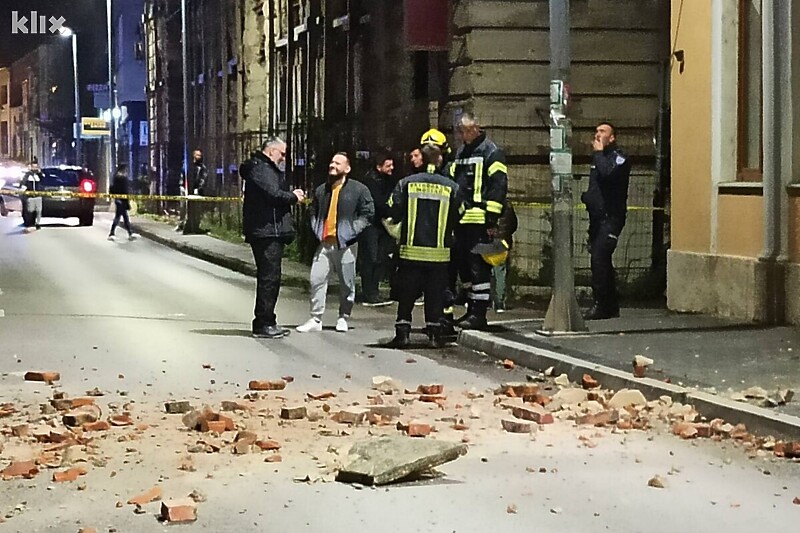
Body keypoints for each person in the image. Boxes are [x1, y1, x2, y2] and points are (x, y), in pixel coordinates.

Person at [383, 144, 463, 349]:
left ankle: (403, 334)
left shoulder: (406, 184)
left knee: (407, 294)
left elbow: (392, 208)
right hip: (439, 254)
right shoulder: (451, 187)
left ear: (421, 160)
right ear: (438, 161)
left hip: (411, 251)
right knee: (435, 295)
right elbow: (460, 212)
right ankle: (434, 336)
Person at [296, 152, 374, 334]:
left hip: (346, 244)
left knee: (347, 283)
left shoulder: (358, 190)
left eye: (338, 163)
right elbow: (313, 210)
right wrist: (317, 228)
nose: (333, 165)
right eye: (332, 162)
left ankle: (343, 316)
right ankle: (316, 318)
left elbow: (367, 213)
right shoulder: (322, 190)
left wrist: (351, 231)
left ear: (347, 169)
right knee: (316, 279)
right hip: (325, 242)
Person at [449, 112, 508, 330]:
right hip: (462, 220)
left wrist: (491, 219)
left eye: (465, 131)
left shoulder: (492, 152)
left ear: (476, 128)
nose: (462, 136)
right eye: (460, 131)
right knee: (465, 268)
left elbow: (498, 186)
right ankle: (471, 308)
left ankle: (478, 314)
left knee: (478, 269)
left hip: (480, 220)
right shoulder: (462, 152)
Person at [242, 137, 305, 339]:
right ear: (270, 151)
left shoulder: (264, 168)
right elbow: (273, 194)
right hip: (266, 230)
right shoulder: (261, 169)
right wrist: (293, 196)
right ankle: (264, 322)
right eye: (282, 153)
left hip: (269, 229)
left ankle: (267, 320)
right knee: (269, 278)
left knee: (271, 277)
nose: (283, 158)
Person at [581, 122, 631, 320]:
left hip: (612, 218)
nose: (598, 135)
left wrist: (599, 153)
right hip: (597, 218)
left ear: (612, 138)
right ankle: (611, 304)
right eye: (596, 131)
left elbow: (608, 174)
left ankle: (601, 304)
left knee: (599, 257)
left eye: (603, 132)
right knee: (601, 259)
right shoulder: (598, 158)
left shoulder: (619, 158)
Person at [357, 150, 396, 307]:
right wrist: (389, 209)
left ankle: (374, 290)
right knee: (371, 258)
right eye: (388, 165)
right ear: (379, 167)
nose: (391, 168)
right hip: (371, 225)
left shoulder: (388, 181)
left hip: (382, 224)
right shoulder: (371, 182)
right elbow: (377, 203)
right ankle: (369, 292)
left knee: (381, 258)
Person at [490, 202, 518, 313]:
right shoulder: (508, 206)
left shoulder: (489, 202)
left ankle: (489, 299)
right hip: (504, 241)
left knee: (489, 271)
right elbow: (514, 225)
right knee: (500, 271)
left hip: (489, 241)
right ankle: (499, 302)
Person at [108, 165, 139, 241]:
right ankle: (113, 233)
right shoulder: (123, 178)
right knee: (119, 217)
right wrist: (127, 201)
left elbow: (112, 188)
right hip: (122, 200)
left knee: (123, 217)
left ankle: (129, 233)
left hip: (118, 199)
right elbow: (125, 190)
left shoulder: (115, 177)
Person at [181, 149, 208, 234]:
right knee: (188, 209)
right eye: (197, 155)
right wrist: (183, 187)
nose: (199, 157)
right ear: (193, 156)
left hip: (197, 192)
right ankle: (187, 227)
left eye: (200, 155)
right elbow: (184, 176)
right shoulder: (188, 166)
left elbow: (203, 179)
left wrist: (199, 188)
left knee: (197, 211)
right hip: (188, 191)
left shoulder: (202, 168)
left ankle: (195, 227)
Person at [20, 158, 43, 232]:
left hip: (38, 196)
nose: (34, 169)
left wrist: (40, 173)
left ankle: (37, 223)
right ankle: (30, 223)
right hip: (30, 196)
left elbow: (43, 180)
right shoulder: (27, 175)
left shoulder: (39, 175)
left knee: (39, 210)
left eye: (36, 167)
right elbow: (23, 183)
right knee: (30, 210)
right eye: (33, 167)